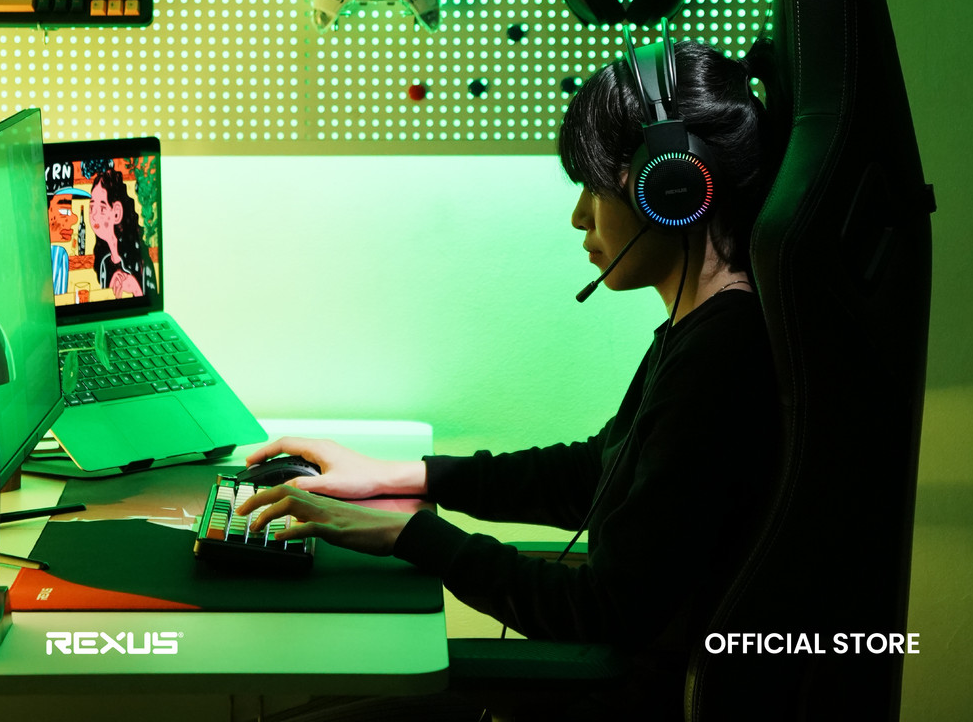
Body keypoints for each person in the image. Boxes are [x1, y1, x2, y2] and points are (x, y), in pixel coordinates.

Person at [238, 39, 781, 721]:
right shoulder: (708, 326)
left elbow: (604, 612)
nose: (579, 216)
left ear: (670, 187)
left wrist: (408, 536)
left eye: (594, 186)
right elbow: (595, 474)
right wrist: (401, 476)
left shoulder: (721, 358)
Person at [89, 168, 157, 299]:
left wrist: (135, 288)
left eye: (102, 208)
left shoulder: (141, 260)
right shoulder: (104, 263)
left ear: (117, 213)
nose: (94, 215)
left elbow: (152, 301)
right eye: (92, 207)